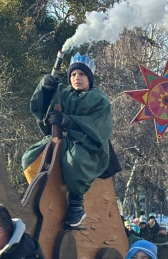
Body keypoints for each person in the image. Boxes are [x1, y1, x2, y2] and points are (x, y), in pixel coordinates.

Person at [20, 54, 112, 227]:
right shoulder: (63, 93)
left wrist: (69, 120)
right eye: (73, 74)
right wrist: (45, 88)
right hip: (59, 139)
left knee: (74, 160)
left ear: (89, 78)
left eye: (82, 74)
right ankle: (39, 193)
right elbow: (42, 109)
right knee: (30, 157)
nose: (77, 78)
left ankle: (77, 204)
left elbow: (99, 126)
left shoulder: (99, 99)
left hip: (88, 145)